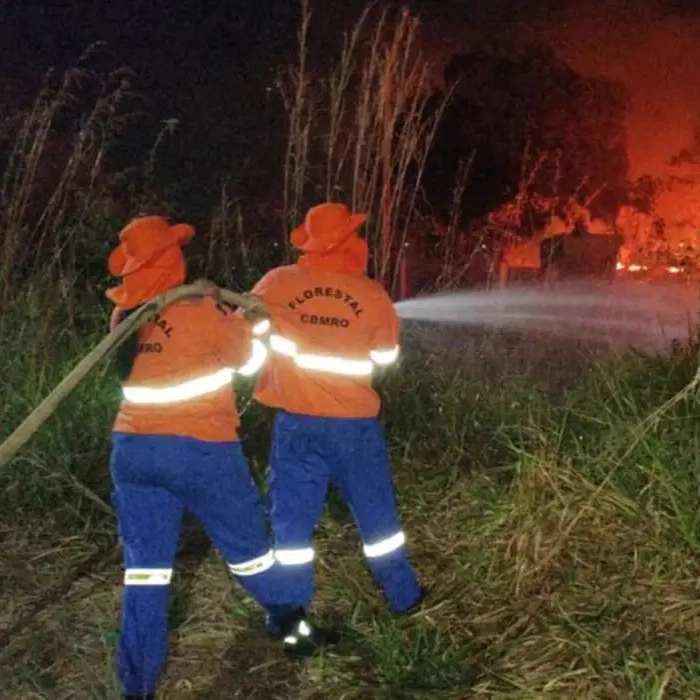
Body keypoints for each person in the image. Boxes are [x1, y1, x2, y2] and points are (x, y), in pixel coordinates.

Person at [106, 215, 332, 700]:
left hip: (133, 453)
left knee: (145, 571)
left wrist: (204, 300)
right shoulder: (201, 313)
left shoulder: (124, 319)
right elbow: (246, 363)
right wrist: (247, 320)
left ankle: (135, 686)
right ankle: (289, 619)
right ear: (172, 258)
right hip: (201, 452)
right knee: (249, 553)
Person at [247, 202, 427, 630]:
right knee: (376, 514)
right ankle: (404, 596)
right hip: (353, 429)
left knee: (290, 521)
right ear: (350, 242)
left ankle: (287, 615)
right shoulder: (371, 294)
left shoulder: (277, 282)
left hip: (295, 423)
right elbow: (385, 357)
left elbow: (246, 330)